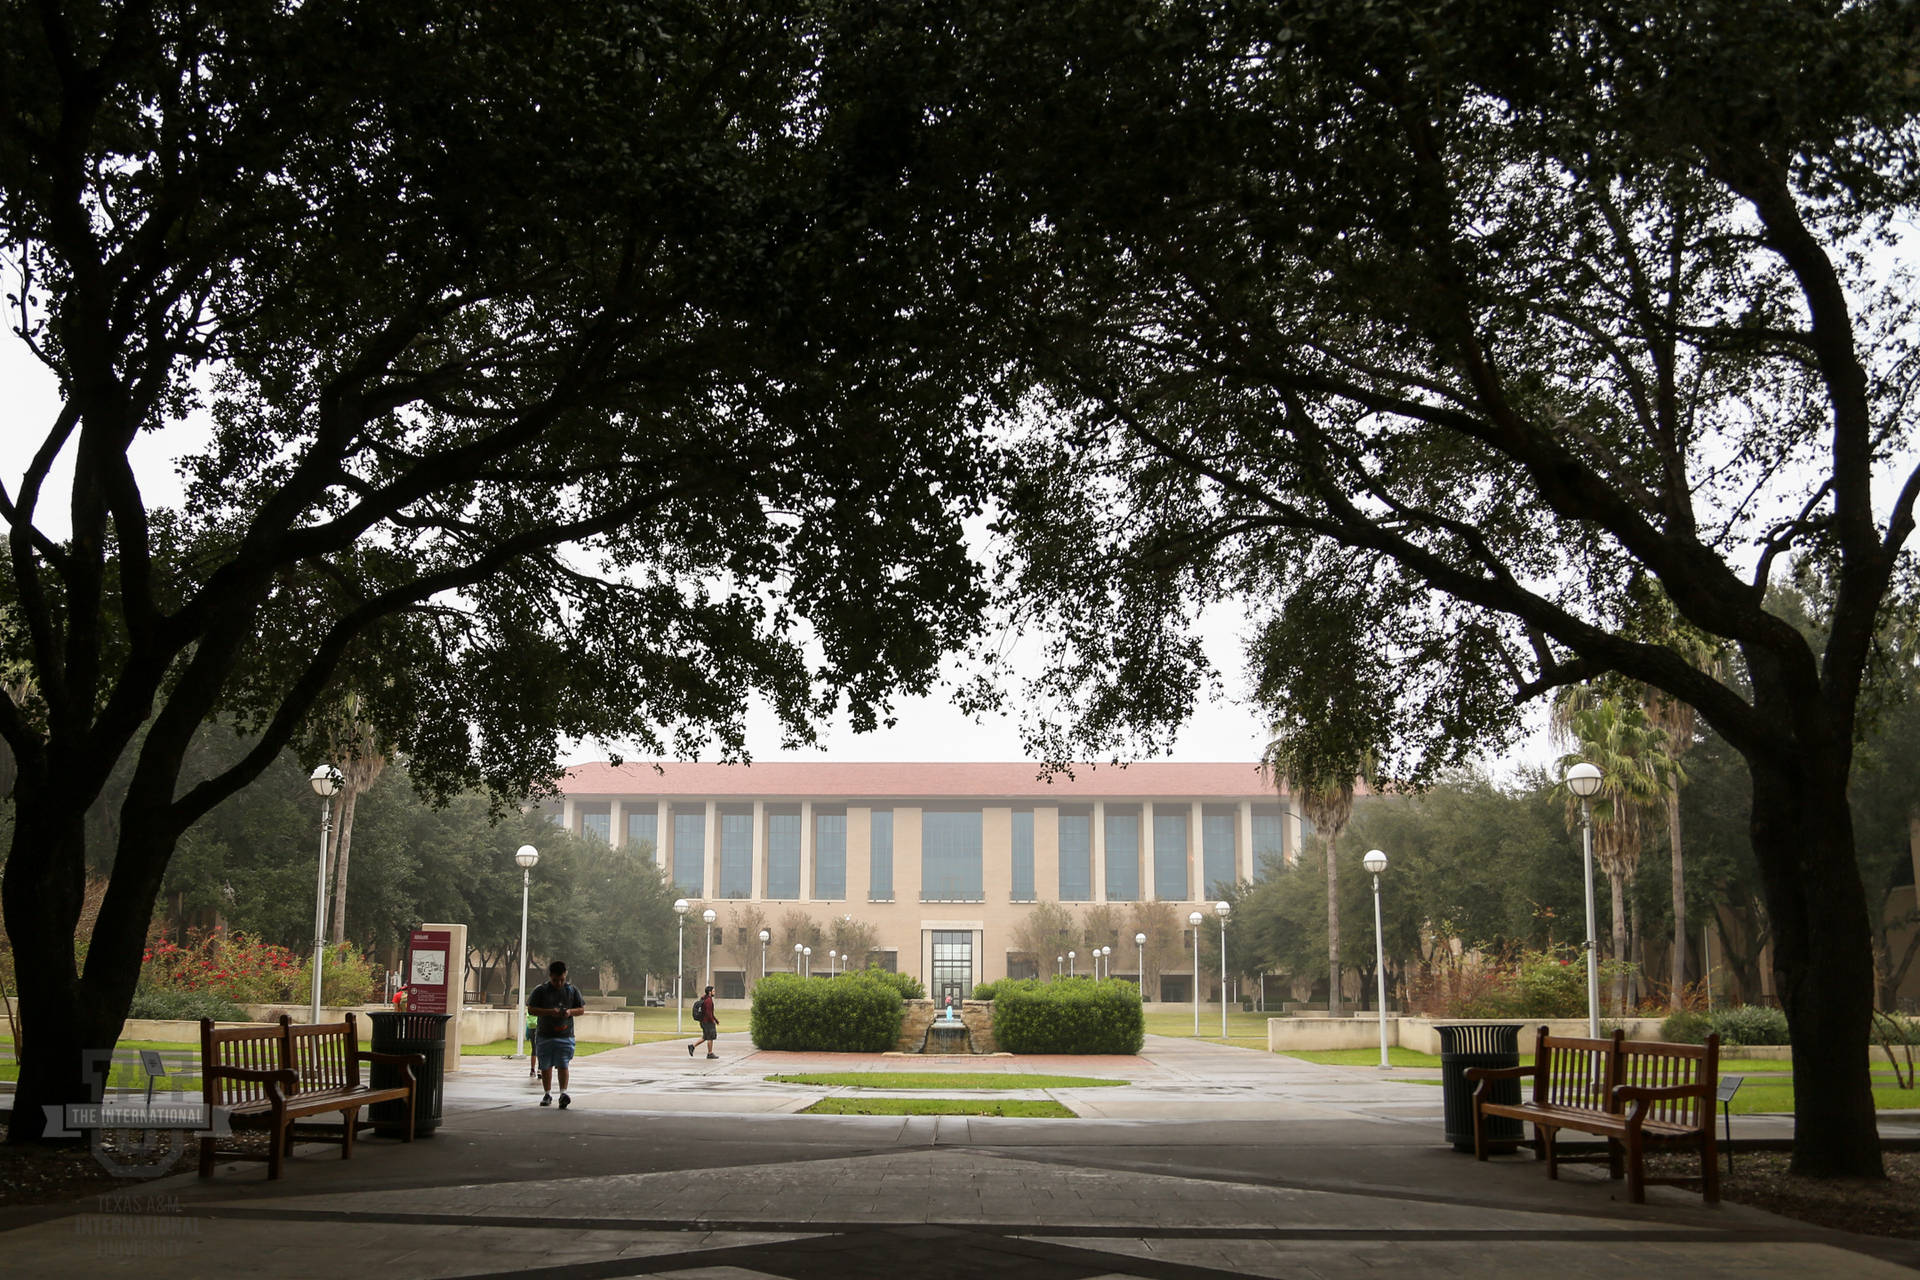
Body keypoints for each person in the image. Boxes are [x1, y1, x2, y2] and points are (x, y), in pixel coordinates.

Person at [527, 959, 585, 1108]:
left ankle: (563, 1093)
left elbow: (581, 1010)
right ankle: (547, 1094)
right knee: (545, 1066)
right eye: (555, 980)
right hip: (545, 1034)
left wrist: (569, 1012)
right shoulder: (540, 990)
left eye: (561, 980)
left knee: (563, 1064)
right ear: (550, 976)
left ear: (565, 976)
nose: (559, 983)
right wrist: (549, 1012)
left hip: (565, 1035)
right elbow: (531, 1009)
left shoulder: (572, 990)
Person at [687, 985, 719, 1059]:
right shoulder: (708, 1001)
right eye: (713, 991)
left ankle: (692, 1046)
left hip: (704, 1022)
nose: (714, 992)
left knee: (705, 1037)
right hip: (707, 1022)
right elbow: (708, 1013)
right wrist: (712, 1020)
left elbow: (710, 1012)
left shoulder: (705, 998)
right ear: (710, 992)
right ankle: (710, 1053)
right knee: (710, 1037)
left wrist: (715, 1020)